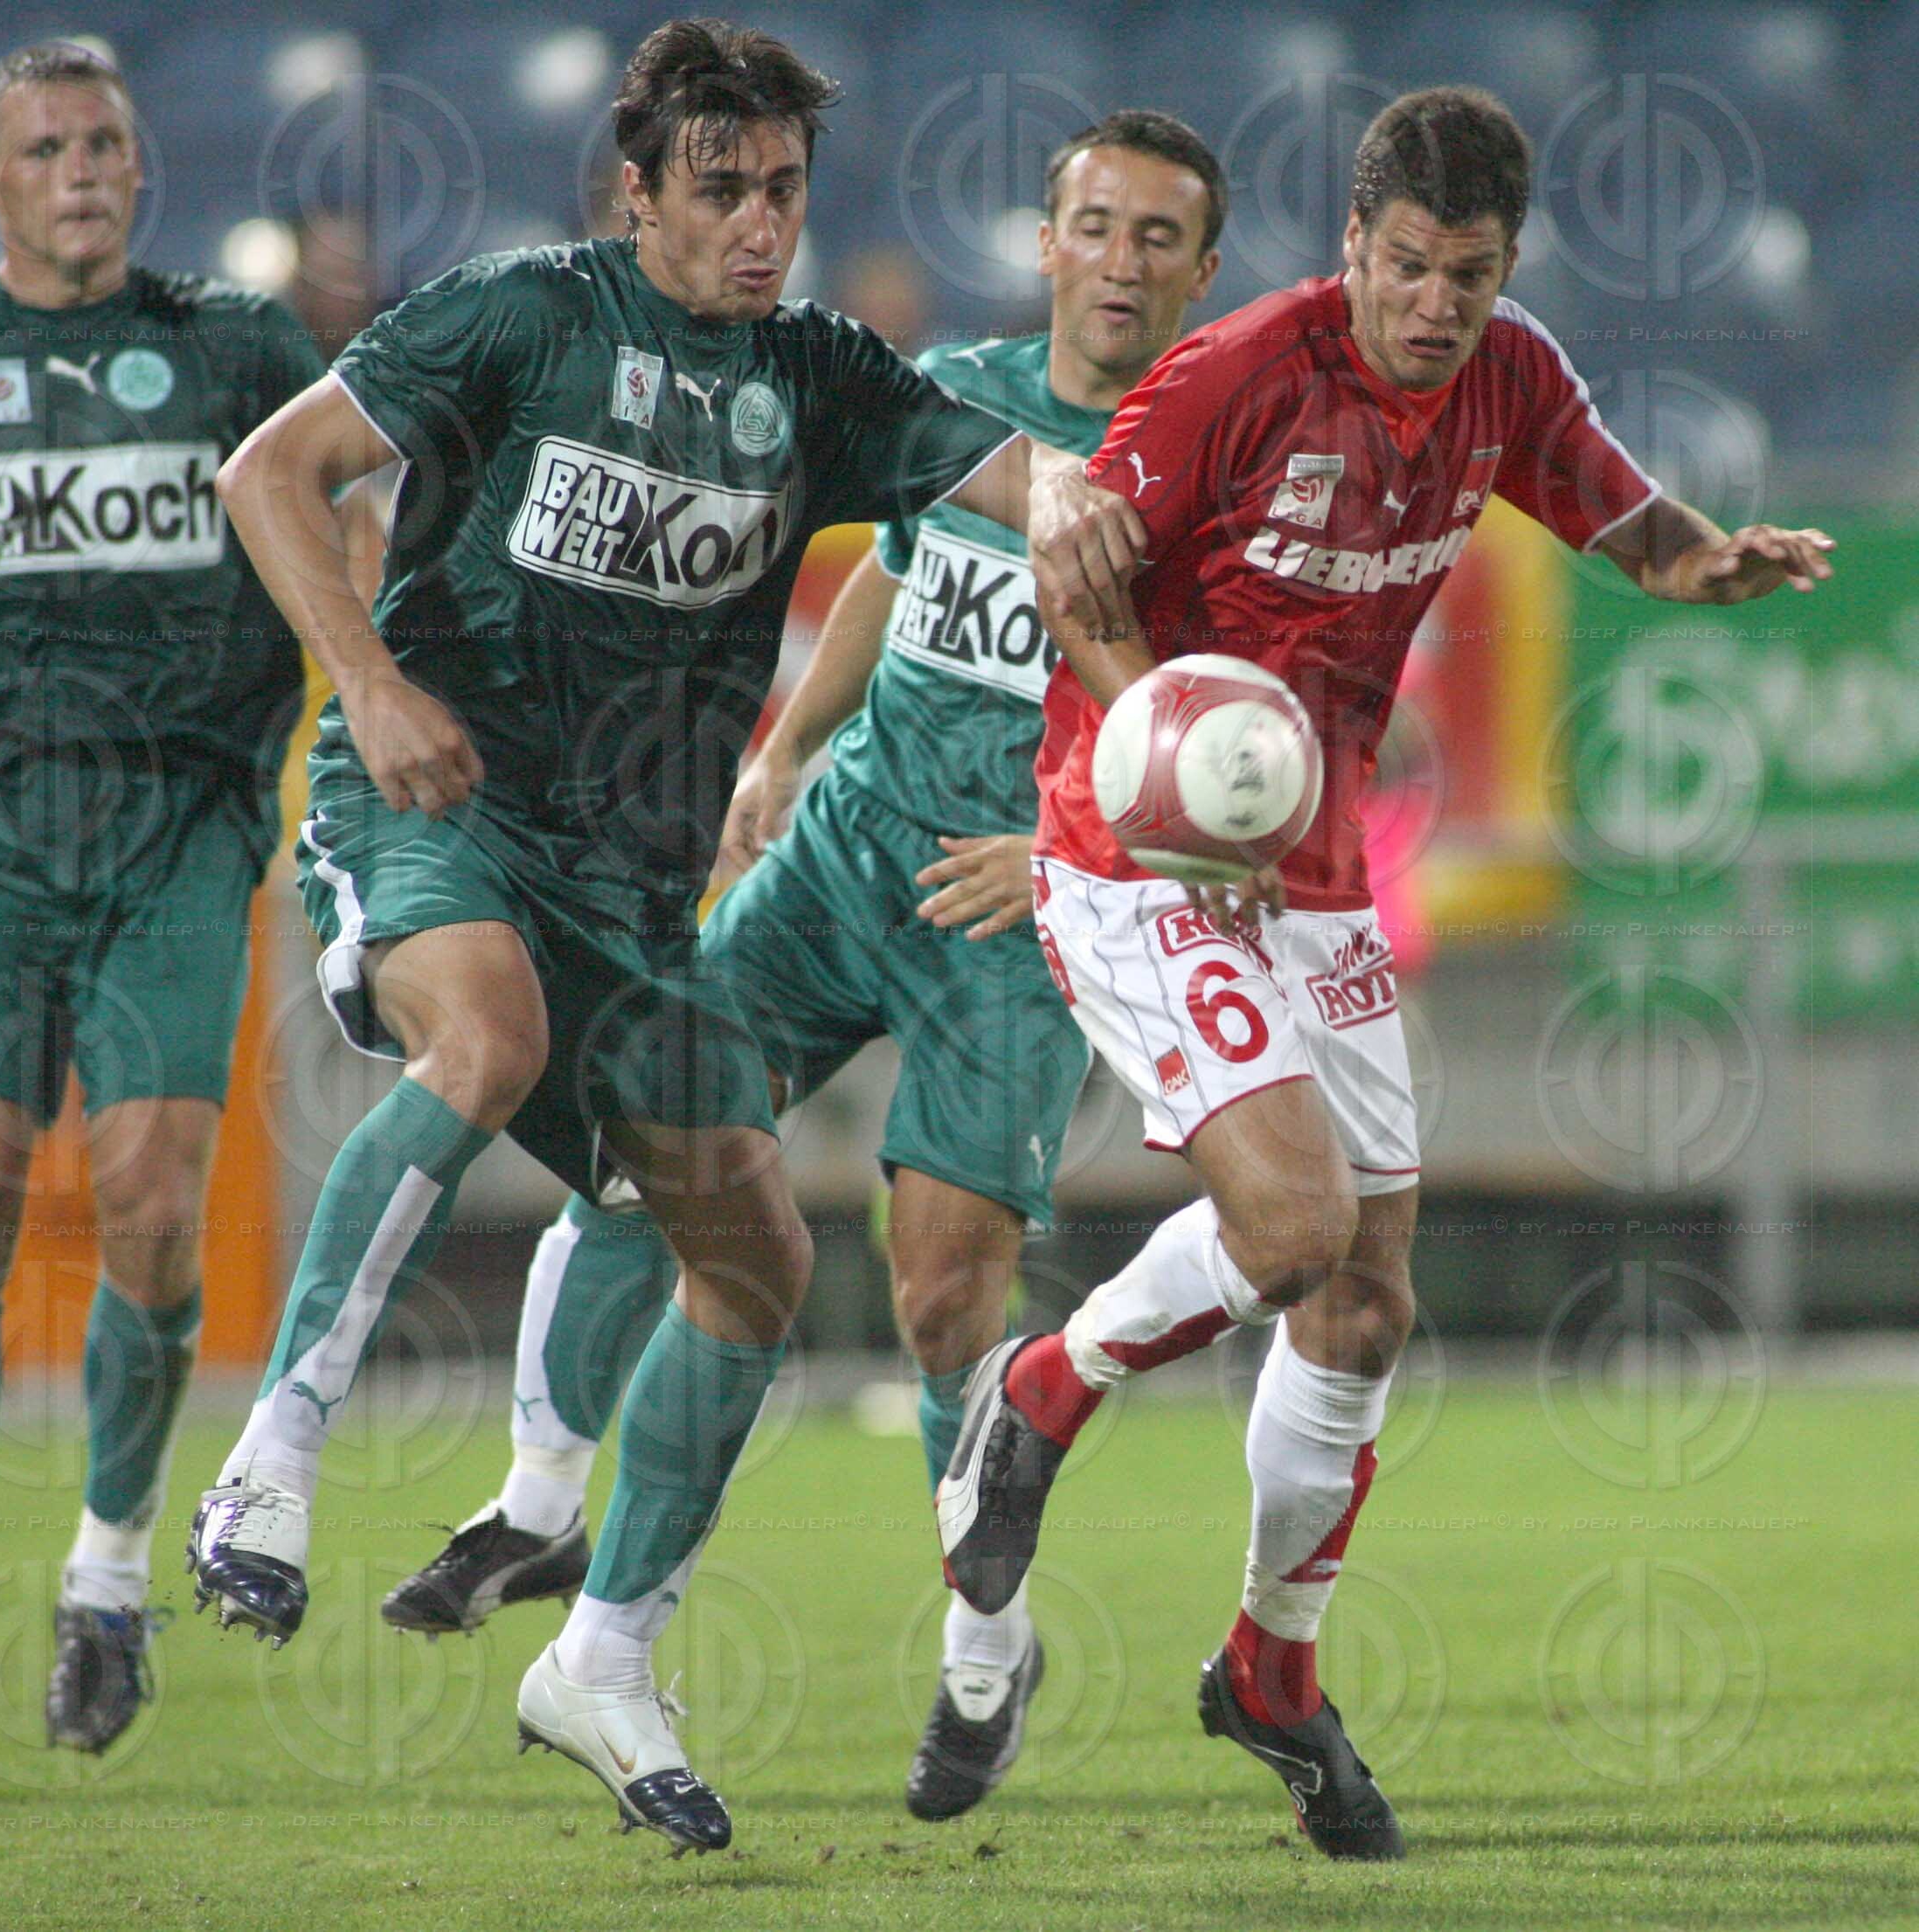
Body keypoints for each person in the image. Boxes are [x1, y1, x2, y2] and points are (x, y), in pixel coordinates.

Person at [184, 19, 1083, 1853]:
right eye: (725, 191)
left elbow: (1029, 490)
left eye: (787, 193)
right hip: (437, 804)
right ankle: (269, 1462)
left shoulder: (821, 377)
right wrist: (366, 680)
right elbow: (269, 473)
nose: (763, 227)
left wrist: (1106, 515)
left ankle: (600, 1650)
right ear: (638, 191)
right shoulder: (516, 317)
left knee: (752, 1247)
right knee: (485, 1034)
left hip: (627, 891)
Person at [941, 85, 1835, 1860]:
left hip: (1323, 869)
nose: (1437, 303)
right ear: (1352, 246)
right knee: (1291, 1232)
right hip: (1139, 853)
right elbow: (1073, 565)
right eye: (1409, 266)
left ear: (1508, 271)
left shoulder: (1508, 377)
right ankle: (1040, 1385)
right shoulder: (1235, 372)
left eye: (1472, 274)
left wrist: (1707, 566)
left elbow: (1624, 519)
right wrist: (1166, 729)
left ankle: (1270, 1665)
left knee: (1361, 1303)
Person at [379, 109, 1224, 1825]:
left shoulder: (1205, 459)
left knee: (938, 1297)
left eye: (1162, 238)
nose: (1124, 261)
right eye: (1100, 226)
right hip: (846, 852)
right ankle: (542, 1495)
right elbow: (900, 585)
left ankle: (983, 1639)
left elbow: (1206, 741)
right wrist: (785, 745)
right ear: (1048, 239)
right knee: (649, 1144)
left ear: (1204, 272)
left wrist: (1065, 854)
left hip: (1018, 912)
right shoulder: (959, 394)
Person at [0, 42, 329, 1776]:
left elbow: (346, 513)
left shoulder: (240, 350)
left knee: (159, 1202)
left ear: (139, 169)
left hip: (181, 822)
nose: (85, 167)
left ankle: (105, 1576)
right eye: (48, 145)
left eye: (107, 140)